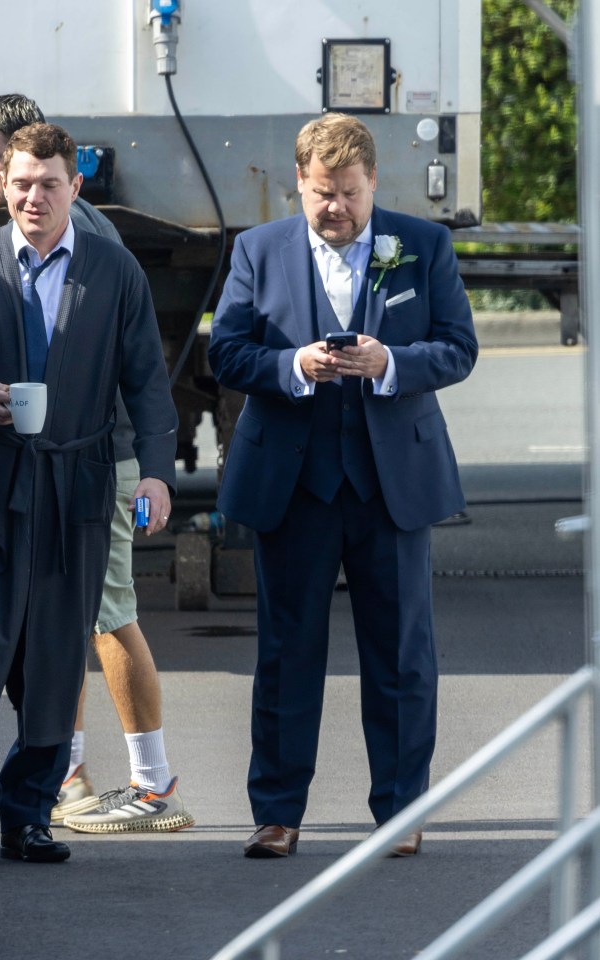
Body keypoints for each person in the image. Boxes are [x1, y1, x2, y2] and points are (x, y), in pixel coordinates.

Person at [0, 122, 178, 863]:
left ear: (75, 188)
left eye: (49, 183)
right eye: (21, 182)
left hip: (76, 490)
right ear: (3, 186)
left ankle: (29, 813)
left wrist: (155, 470)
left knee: (55, 658)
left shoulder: (114, 273)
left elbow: (148, 383)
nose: (33, 196)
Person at [208, 113, 478, 859]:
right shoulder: (257, 252)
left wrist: (390, 362)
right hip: (293, 485)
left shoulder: (421, 247)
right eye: (323, 194)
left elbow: (458, 348)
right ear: (298, 183)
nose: (337, 209)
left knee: (400, 655)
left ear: (373, 185)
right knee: (287, 651)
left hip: (392, 483)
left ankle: (399, 813)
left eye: (351, 195)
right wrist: (291, 367)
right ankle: (277, 813)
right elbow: (226, 353)